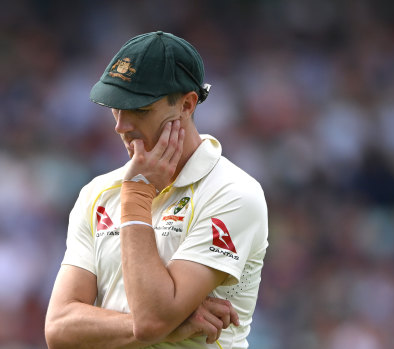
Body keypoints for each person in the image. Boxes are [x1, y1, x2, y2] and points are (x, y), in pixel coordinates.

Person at [45, 31, 269, 348]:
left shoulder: (233, 193)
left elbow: (152, 319)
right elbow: (59, 328)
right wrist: (171, 326)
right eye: (115, 106)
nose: (120, 125)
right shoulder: (98, 192)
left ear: (187, 104)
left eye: (139, 109)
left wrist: (137, 194)